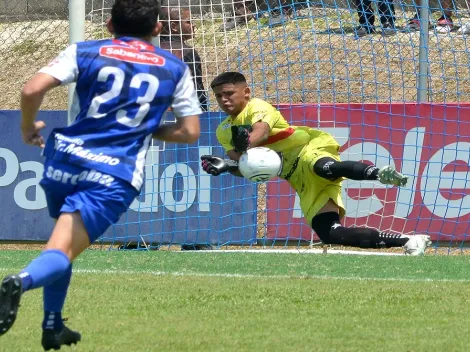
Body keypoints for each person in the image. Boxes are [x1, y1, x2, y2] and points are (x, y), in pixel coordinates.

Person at [0, 0, 201, 349]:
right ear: (157, 28)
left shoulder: (85, 50)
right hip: (112, 172)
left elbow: (32, 88)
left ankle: (52, 325)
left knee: (60, 245)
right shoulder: (175, 67)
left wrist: (27, 125)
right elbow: (189, 132)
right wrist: (144, 128)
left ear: (108, 25)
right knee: (61, 250)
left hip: (64, 160)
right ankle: (20, 281)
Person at [201, 72, 432, 255]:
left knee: (323, 167)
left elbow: (260, 131)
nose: (224, 100)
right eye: (219, 96)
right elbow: (248, 166)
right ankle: (410, 240)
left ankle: (379, 173)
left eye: (229, 93)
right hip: (297, 177)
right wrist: (228, 167)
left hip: (308, 149)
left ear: (247, 92)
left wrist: (244, 145)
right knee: (331, 233)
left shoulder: (258, 107)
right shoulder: (223, 131)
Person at [160, 7, 208, 111]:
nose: (193, 25)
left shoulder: (149, 50)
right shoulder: (186, 52)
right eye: (188, 22)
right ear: (174, 26)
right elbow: (196, 90)